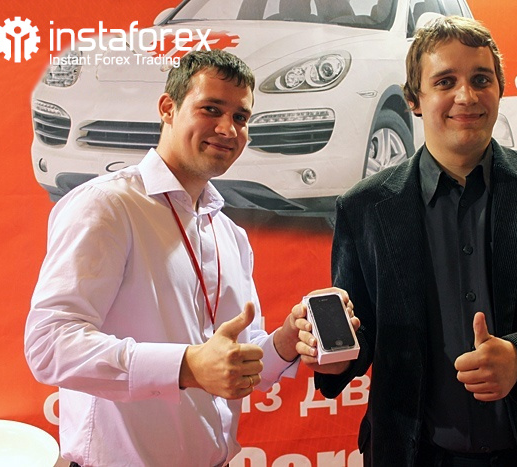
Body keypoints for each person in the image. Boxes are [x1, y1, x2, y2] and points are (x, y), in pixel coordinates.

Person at [295, 15, 517, 467]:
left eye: (481, 79)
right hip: (413, 454)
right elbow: (363, 329)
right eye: (445, 81)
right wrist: (336, 358)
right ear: (414, 99)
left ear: (500, 90)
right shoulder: (363, 207)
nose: (466, 96)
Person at [24, 50, 347, 467]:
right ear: (168, 108)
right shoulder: (107, 206)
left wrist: (285, 340)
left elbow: (238, 363)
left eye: (241, 117)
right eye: (211, 109)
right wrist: (187, 365)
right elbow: (49, 345)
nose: (228, 129)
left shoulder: (229, 234)